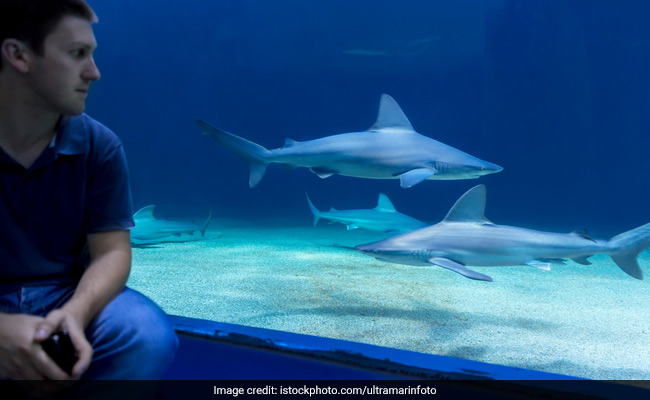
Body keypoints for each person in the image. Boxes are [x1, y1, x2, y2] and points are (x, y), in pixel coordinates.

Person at [0, 0, 178, 380]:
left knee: (145, 337)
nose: (95, 73)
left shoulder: (100, 145)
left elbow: (112, 252)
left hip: (66, 293)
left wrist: (76, 313)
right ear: (18, 55)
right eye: (77, 54)